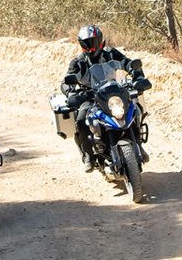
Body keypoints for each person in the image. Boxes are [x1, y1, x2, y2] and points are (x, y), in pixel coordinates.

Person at [61, 25, 146, 172]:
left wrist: (138, 77)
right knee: (81, 120)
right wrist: (71, 93)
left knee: (135, 108)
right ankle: (89, 156)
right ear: (81, 44)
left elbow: (128, 64)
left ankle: (138, 144)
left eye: (93, 42)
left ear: (100, 41)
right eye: (87, 43)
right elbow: (66, 81)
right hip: (91, 96)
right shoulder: (78, 62)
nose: (91, 47)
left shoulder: (111, 54)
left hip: (113, 93)